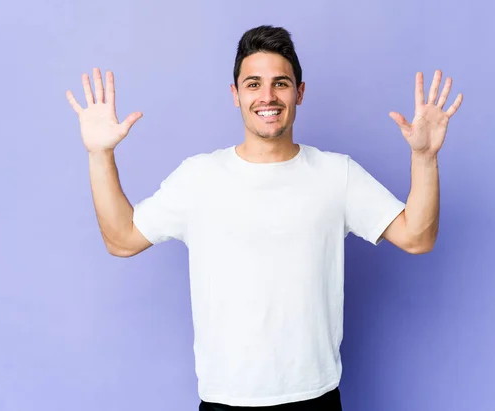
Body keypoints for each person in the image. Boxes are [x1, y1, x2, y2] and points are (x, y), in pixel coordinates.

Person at [66, 25, 462, 411]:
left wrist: (424, 158)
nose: (267, 96)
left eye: (281, 83)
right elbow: (121, 239)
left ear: (299, 92)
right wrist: (100, 155)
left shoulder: (336, 174)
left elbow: (417, 237)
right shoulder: (198, 177)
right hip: (226, 402)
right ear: (235, 94)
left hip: (314, 400)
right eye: (253, 84)